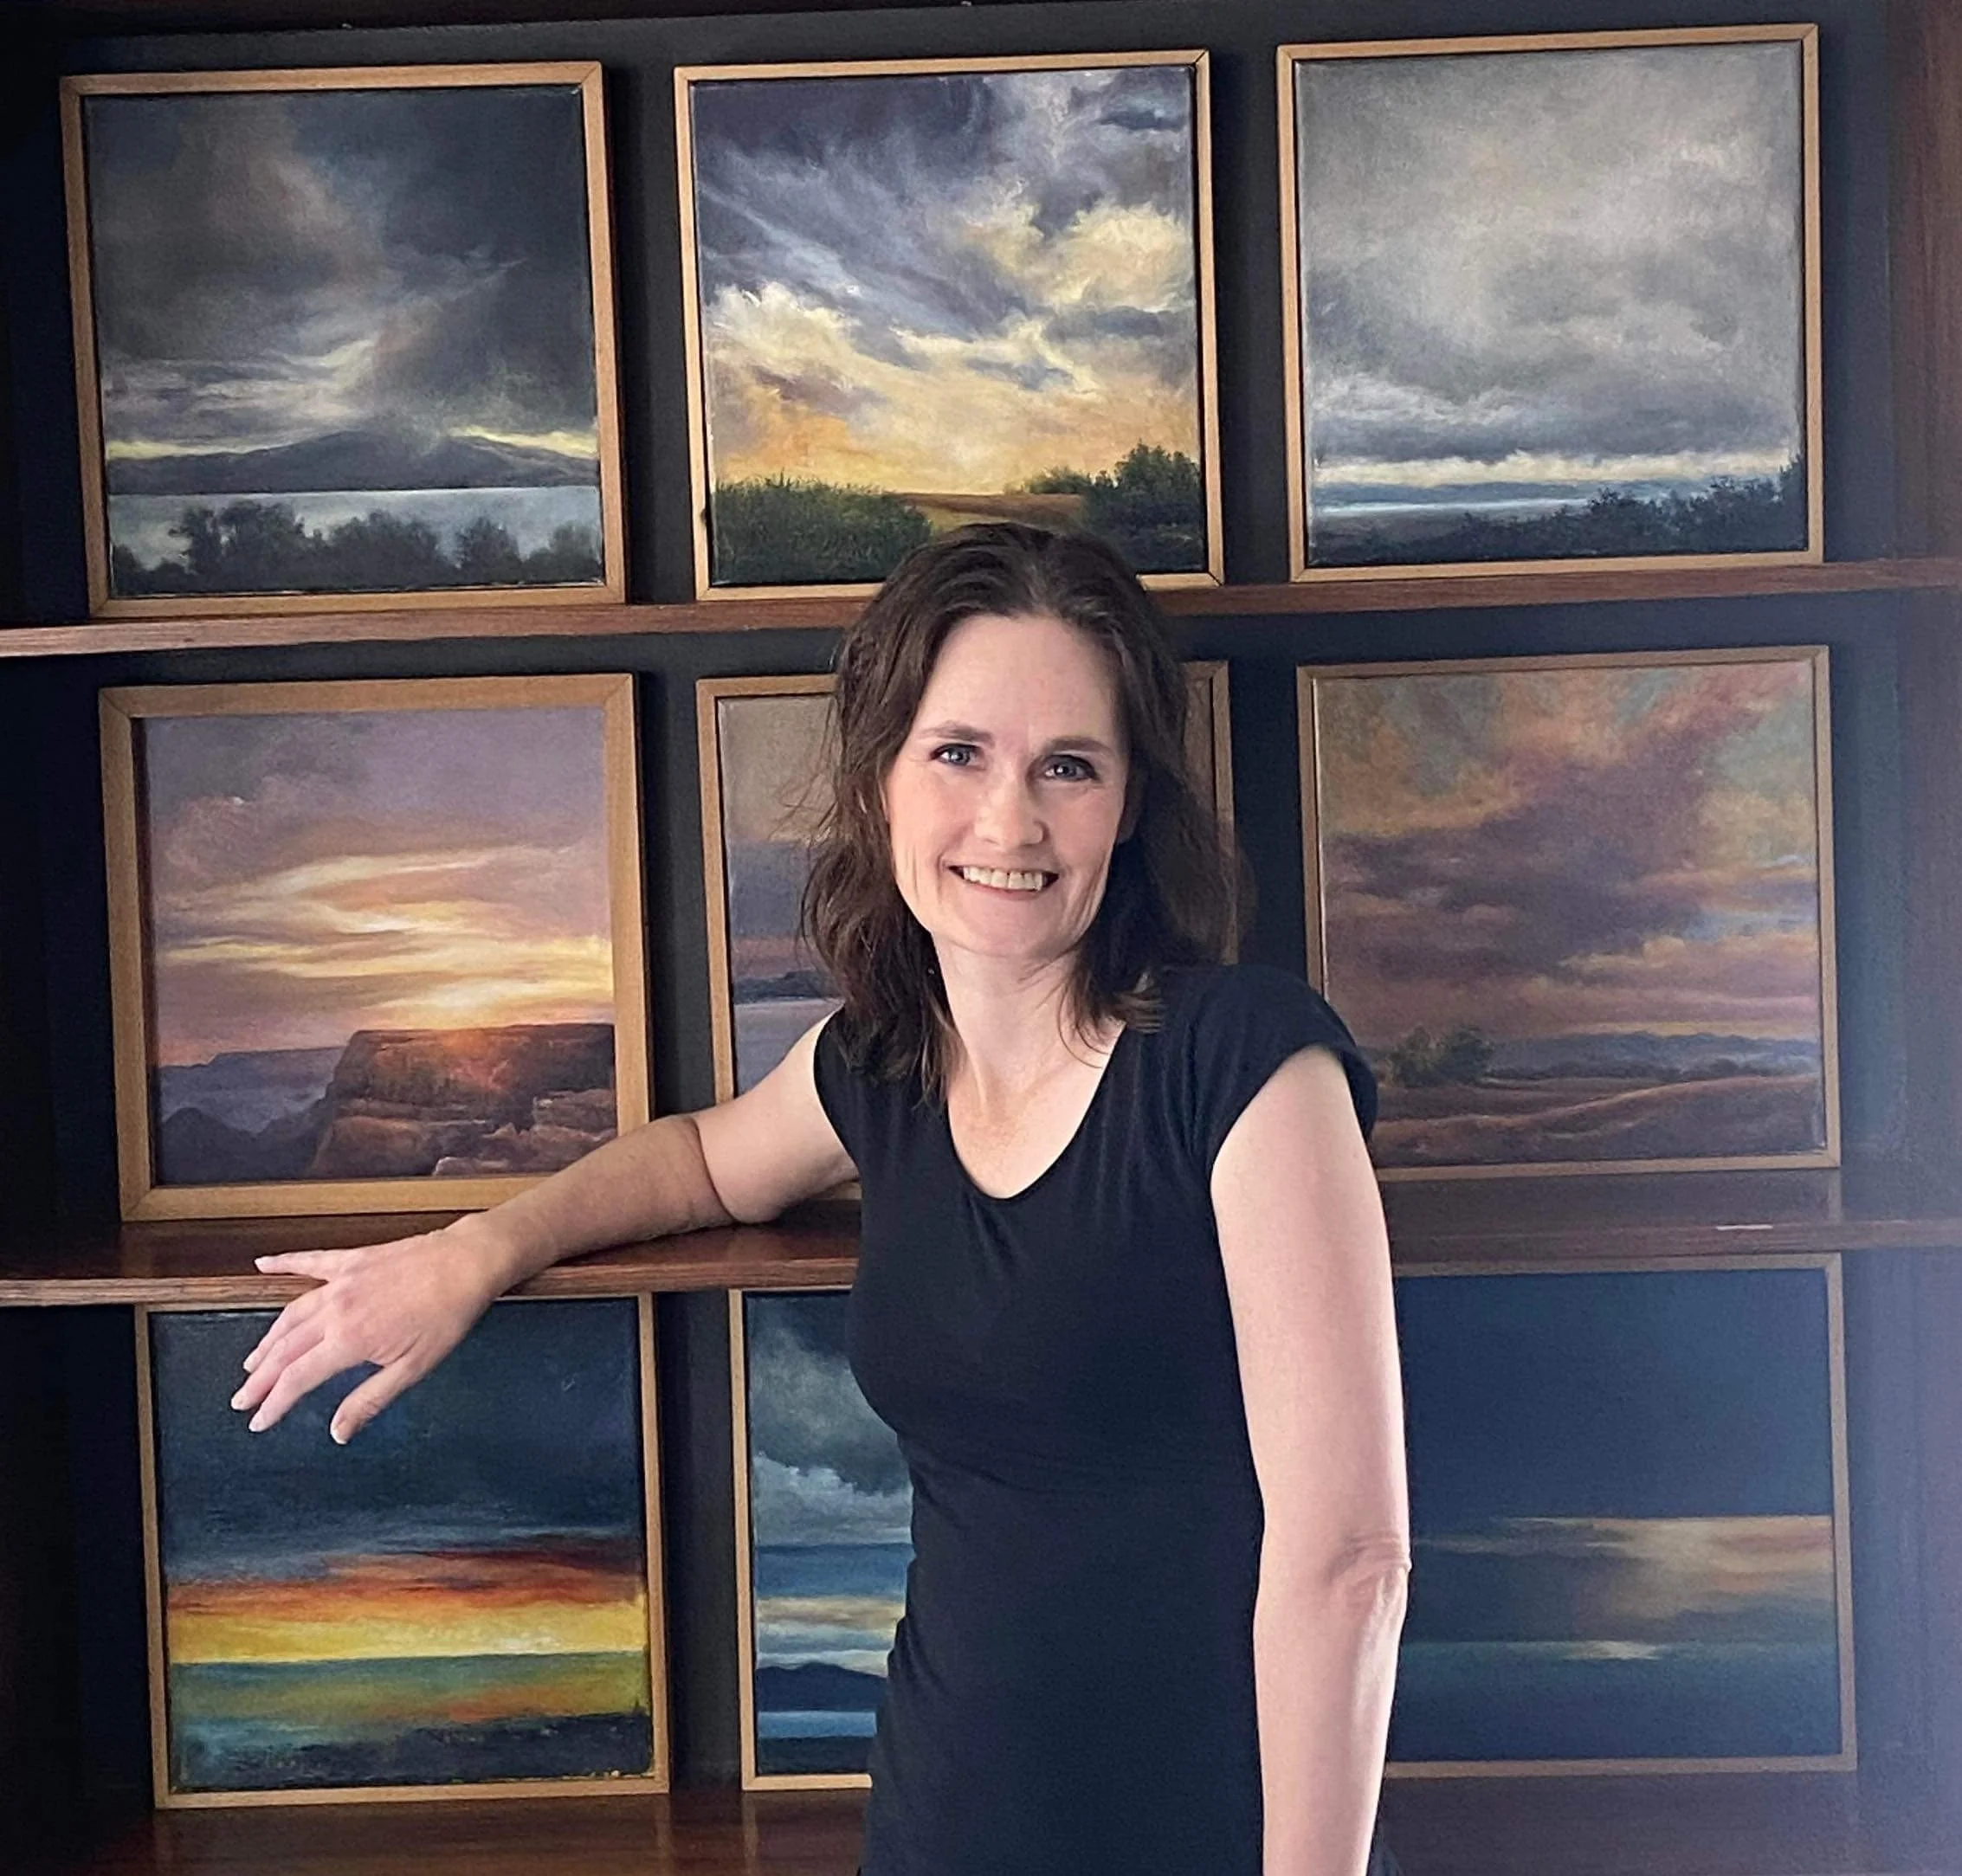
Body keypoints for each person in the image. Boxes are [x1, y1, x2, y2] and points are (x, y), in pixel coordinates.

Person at [231, 523, 1410, 1876]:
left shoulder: (1244, 1060)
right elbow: (697, 1157)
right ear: (882, 778)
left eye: (1067, 766)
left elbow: (1351, 1561)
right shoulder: (880, 1062)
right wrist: (478, 1248)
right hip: (942, 1821)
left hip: (1219, 1831)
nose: (1008, 821)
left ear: (1129, 802)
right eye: (957, 753)